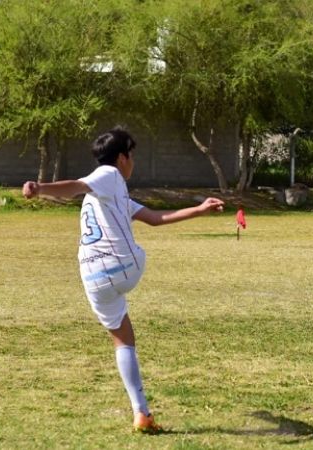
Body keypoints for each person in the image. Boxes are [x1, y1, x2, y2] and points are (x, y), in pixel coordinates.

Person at [22, 127, 225, 433]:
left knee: (123, 340)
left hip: (92, 278)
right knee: (135, 255)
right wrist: (41, 189)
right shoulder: (108, 175)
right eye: (132, 154)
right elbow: (75, 185)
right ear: (121, 157)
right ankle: (141, 413)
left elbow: (156, 218)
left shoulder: (111, 199)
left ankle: (141, 413)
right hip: (123, 267)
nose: (133, 161)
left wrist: (199, 209)